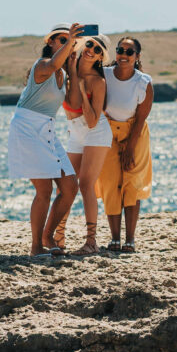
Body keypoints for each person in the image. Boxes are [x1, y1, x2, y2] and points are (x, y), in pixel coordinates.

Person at [7, 23, 83, 257]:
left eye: (69, 41)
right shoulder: (42, 66)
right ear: (50, 43)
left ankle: (48, 235)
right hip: (27, 128)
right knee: (44, 189)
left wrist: (72, 71)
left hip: (47, 129)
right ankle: (36, 247)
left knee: (70, 187)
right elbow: (51, 64)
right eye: (62, 40)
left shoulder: (62, 73)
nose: (67, 43)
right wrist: (70, 42)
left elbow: (75, 102)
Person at [56, 33, 112, 255]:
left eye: (98, 50)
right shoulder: (68, 71)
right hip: (74, 132)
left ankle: (91, 242)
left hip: (95, 131)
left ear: (100, 58)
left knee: (86, 184)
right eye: (90, 44)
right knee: (67, 185)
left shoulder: (98, 82)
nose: (91, 50)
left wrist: (82, 89)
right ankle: (58, 238)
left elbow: (92, 121)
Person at [97, 36, 153, 253]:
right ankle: (114, 239)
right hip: (107, 133)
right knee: (110, 183)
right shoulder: (104, 75)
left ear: (137, 57)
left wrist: (130, 147)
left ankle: (130, 239)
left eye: (130, 52)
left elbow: (141, 118)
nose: (124, 55)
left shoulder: (144, 82)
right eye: (120, 50)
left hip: (135, 133)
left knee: (131, 184)